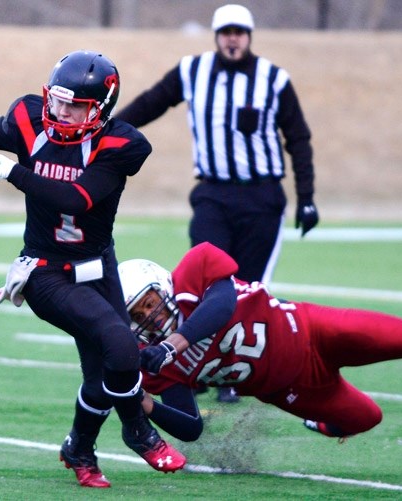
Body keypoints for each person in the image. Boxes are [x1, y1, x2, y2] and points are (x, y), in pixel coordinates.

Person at [0, 50, 186, 488]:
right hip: (46, 271)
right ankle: (138, 431)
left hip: (98, 265)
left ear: (100, 108)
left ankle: (79, 449)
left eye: (75, 105)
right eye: (59, 100)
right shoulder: (30, 116)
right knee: (120, 344)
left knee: (104, 373)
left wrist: (12, 171)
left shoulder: (122, 144)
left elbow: (76, 198)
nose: (62, 111)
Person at [115, 242, 402, 444]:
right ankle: (327, 423)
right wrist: (146, 405)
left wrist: (175, 343)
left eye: (150, 302)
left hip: (314, 329)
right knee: (366, 418)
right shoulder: (160, 363)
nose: (151, 316)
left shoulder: (194, 271)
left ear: (162, 283)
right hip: (290, 387)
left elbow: (218, 307)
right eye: (138, 315)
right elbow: (192, 428)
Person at [114, 4, 319, 403]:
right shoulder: (193, 71)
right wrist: (109, 131)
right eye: (225, 31)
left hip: (262, 196)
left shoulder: (273, 79)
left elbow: (298, 138)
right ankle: (193, 363)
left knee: (250, 286)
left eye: (239, 32)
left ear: (250, 35)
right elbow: (152, 102)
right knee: (204, 281)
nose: (232, 38)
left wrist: (307, 198)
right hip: (213, 193)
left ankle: (232, 374)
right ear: (215, 35)